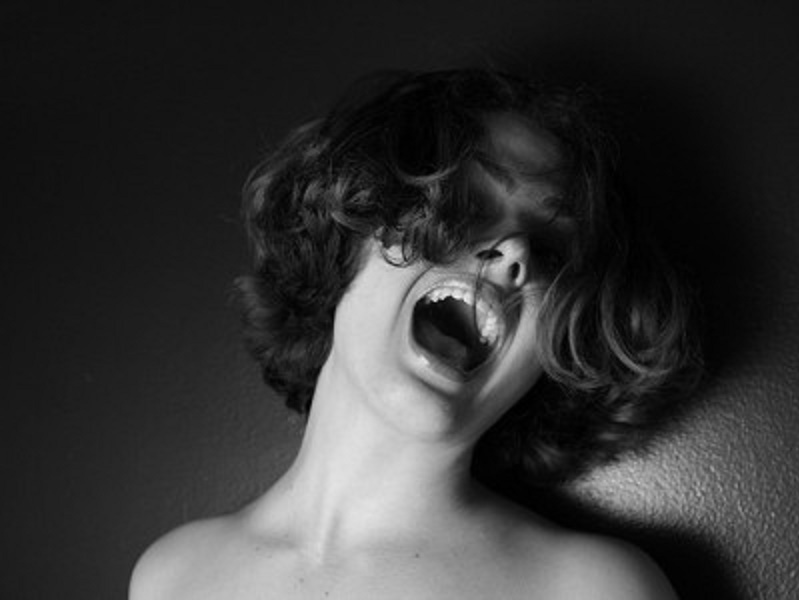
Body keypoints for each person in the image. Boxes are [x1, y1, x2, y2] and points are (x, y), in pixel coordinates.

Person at [130, 69, 700, 599]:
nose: (515, 253)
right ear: (344, 237)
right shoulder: (172, 576)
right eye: (465, 206)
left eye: (551, 251)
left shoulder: (591, 590)